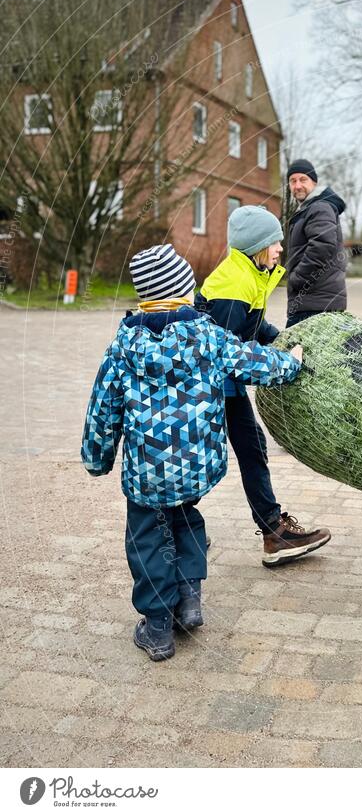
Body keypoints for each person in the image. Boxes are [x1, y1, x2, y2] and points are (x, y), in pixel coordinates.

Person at [81, 243, 302, 661]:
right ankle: (190, 600)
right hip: (195, 467)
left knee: (148, 537)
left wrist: (97, 459)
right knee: (186, 519)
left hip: (147, 474)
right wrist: (291, 362)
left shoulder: (122, 349)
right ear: (185, 291)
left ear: (144, 298)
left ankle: (158, 627)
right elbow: (256, 362)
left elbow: (102, 412)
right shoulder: (209, 338)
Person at [196, 205, 332, 567]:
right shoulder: (234, 283)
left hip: (222, 384)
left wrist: (285, 339)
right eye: (274, 243)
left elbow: (252, 326)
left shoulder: (249, 273)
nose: (280, 250)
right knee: (206, 456)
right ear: (257, 245)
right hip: (209, 387)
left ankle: (272, 531)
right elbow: (227, 351)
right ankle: (182, 528)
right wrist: (281, 365)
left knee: (247, 448)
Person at [285, 158, 347, 327]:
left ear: (314, 182)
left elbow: (322, 245)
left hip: (315, 305)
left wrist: (297, 279)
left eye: (303, 180)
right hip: (312, 302)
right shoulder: (307, 209)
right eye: (292, 181)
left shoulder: (319, 207)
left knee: (291, 352)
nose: (297, 185)